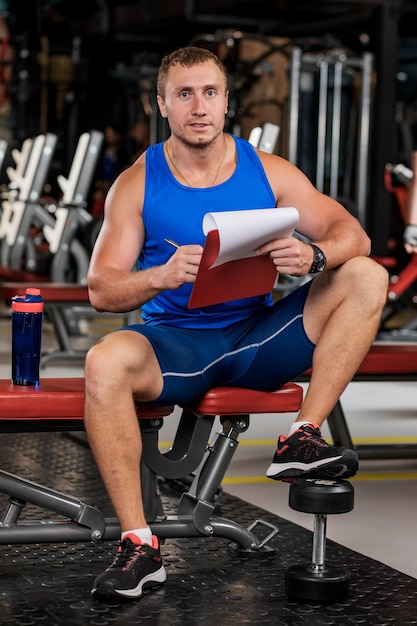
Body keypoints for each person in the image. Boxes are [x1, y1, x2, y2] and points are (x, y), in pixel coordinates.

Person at [85, 46, 388, 600]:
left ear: (226, 103)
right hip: (175, 345)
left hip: (257, 339)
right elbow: (101, 288)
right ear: (163, 105)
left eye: (209, 93)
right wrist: (160, 275)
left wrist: (314, 257)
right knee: (103, 360)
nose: (198, 107)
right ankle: (140, 546)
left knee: (365, 274)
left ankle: (301, 437)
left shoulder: (266, 170)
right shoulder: (137, 181)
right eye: (184, 94)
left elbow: (356, 235)